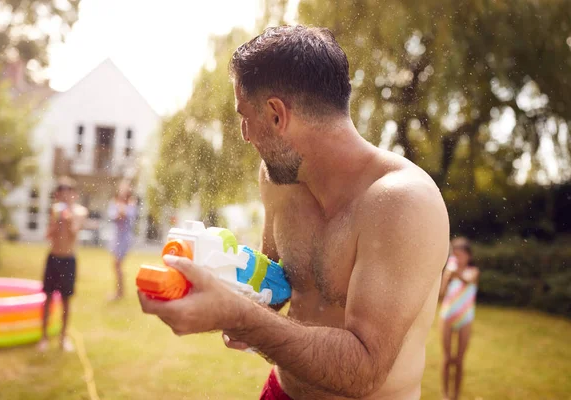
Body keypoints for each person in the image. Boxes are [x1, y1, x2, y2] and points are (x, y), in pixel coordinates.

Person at [138, 25, 450, 400]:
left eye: (244, 115)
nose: (244, 133)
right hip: (281, 392)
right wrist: (214, 275)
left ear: (275, 115)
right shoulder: (278, 181)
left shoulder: (403, 203)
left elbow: (364, 371)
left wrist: (239, 317)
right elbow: (275, 282)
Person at [38, 176, 87, 352]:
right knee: (48, 298)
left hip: (68, 260)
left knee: (66, 300)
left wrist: (68, 218)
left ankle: (63, 338)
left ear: (73, 194)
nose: (65, 196)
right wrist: (56, 223)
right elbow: (48, 235)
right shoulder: (55, 210)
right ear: (58, 195)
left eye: (68, 193)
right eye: (61, 193)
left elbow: (74, 232)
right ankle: (43, 337)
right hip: (53, 258)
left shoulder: (80, 212)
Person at [439, 238, 480, 400]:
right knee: (447, 358)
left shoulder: (473, 271)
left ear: (468, 255)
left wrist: (456, 274)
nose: (458, 257)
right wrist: (445, 278)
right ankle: (444, 395)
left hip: (465, 319)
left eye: (461, 254)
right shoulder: (450, 271)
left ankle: (456, 396)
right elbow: (441, 295)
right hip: (447, 316)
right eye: (456, 254)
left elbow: (468, 280)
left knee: (459, 360)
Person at [107, 180, 138, 300]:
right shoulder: (118, 203)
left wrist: (121, 210)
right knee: (116, 265)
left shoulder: (131, 203)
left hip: (124, 239)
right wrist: (121, 210)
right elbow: (114, 216)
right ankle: (120, 291)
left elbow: (125, 215)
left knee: (117, 265)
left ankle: (119, 292)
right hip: (117, 237)